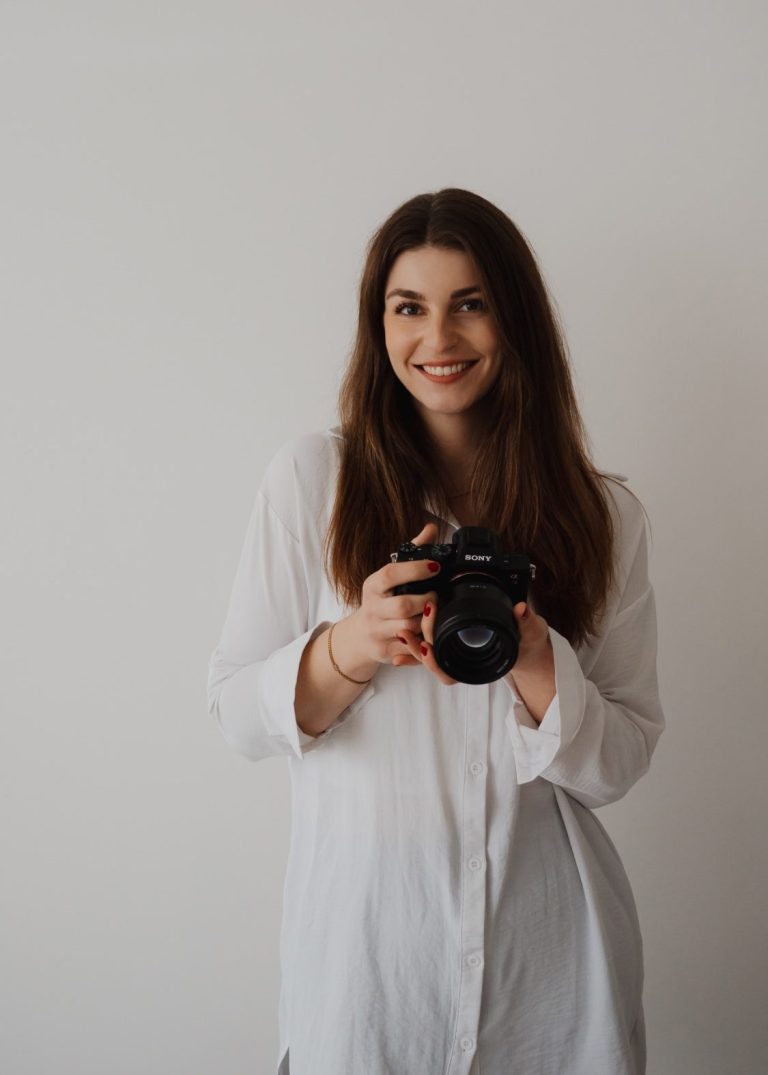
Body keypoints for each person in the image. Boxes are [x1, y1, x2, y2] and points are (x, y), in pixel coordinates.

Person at [207, 188, 665, 1075]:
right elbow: (235, 713)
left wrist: (537, 659)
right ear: (378, 324)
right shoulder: (314, 483)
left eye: (470, 303)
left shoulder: (603, 516)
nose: (438, 337)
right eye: (408, 307)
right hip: (368, 984)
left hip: (554, 985)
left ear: (514, 317)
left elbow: (620, 763)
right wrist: (353, 643)